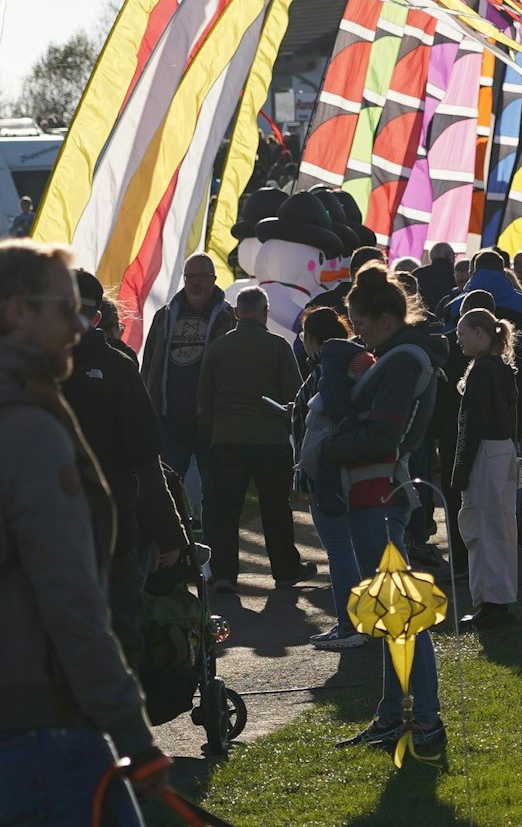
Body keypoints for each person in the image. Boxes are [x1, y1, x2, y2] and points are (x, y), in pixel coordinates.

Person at [0, 240, 166, 824]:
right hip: (38, 714)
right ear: (18, 314)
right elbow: (69, 598)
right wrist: (134, 733)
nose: (81, 324)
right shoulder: (25, 429)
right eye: (65, 309)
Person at [324, 266, 448, 757]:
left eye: (359, 322)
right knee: (389, 614)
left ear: (382, 318)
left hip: (379, 495)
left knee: (400, 614)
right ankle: (393, 716)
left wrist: (329, 447)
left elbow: (384, 435)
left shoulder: (401, 360)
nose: (356, 333)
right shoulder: (399, 355)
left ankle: (429, 724)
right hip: (373, 495)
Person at [62, 270, 188, 669]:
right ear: (97, 317)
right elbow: (144, 458)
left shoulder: (23, 367)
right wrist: (170, 535)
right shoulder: (115, 366)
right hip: (107, 523)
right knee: (118, 630)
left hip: (46, 525)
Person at [198, 286, 307, 594]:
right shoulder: (278, 346)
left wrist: (217, 423)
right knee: (275, 507)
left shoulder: (218, 347)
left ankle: (224, 574)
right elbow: (295, 396)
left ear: (236, 312)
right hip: (270, 439)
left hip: (227, 438)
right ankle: (285, 570)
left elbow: (204, 396)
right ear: (265, 312)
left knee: (224, 509)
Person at [294, 307, 370, 651]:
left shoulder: (321, 374)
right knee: (356, 547)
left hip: (325, 471)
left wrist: (302, 479)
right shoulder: (353, 366)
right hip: (357, 467)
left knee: (339, 550)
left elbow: (311, 432)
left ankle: (349, 624)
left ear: (311, 337)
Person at [140, 253, 234, 520]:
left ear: (213, 279)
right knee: (165, 488)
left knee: (214, 490)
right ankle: (175, 548)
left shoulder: (226, 317)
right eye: (189, 277)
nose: (194, 283)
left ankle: (215, 547)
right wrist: (149, 405)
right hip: (170, 419)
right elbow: (148, 365)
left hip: (208, 420)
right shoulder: (166, 315)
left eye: (201, 277)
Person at [451, 308, 520, 629]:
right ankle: (497, 598)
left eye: (463, 332)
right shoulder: (501, 367)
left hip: (487, 453)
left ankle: (492, 602)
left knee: (484, 527)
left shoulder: (482, 370)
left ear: (480, 333)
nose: (458, 338)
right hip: (502, 450)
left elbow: (472, 425)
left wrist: (460, 468)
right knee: (500, 526)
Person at [415, 241, 458, 312]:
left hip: (423, 315)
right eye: (454, 254)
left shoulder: (418, 273)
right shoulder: (456, 274)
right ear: (448, 255)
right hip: (447, 315)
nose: (455, 257)